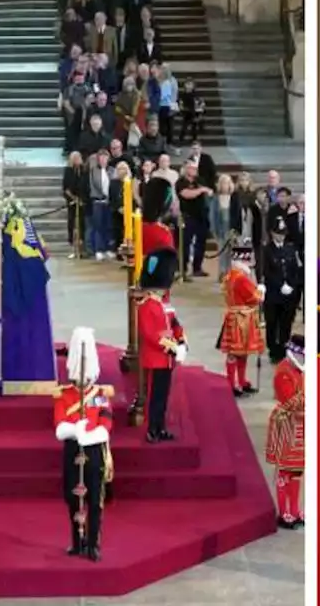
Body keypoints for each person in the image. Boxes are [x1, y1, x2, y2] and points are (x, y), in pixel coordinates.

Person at [53, 327, 114, 561]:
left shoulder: (100, 394)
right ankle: (77, 542)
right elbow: (59, 425)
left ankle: (94, 544)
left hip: (94, 451)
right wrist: (73, 430)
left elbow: (106, 422)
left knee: (95, 500)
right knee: (73, 498)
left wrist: (90, 435)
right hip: (72, 450)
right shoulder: (63, 395)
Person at [137, 178, 184, 444]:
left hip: (148, 292)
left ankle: (157, 423)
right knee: (158, 386)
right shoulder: (162, 232)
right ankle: (154, 425)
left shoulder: (141, 227)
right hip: (157, 296)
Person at [266, 335, 306, 530]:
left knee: (297, 470)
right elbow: (290, 402)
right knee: (285, 470)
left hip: (301, 423)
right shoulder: (284, 372)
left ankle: (295, 509)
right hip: (289, 424)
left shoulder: (298, 369)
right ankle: (284, 512)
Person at [217, 242, 264, 397]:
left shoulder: (230, 276)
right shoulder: (242, 279)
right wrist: (260, 292)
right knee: (239, 353)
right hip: (242, 318)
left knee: (236, 353)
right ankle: (236, 383)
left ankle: (238, 382)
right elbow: (253, 298)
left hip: (232, 315)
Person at [262, 217, 302, 362]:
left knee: (286, 323)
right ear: (272, 233)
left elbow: (296, 269)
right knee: (272, 323)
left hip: (288, 295)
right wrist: (280, 285)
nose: (281, 236)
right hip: (273, 294)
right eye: (279, 233)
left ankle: (284, 348)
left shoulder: (291, 249)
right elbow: (267, 272)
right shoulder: (266, 250)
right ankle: (274, 350)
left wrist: (292, 285)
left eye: (283, 233)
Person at [175, 161, 212, 279]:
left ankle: (197, 268)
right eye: (191, 168)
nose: (193, 170)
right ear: (186, 169)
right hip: (187, 216)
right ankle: (183, 269)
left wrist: (204, 190)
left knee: (201, 243)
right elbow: (186, 194)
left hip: (201, 216)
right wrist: (201, 190)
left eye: (195, 168)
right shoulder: (180, 182)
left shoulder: (200, 180)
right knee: (185, 243)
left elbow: (210, 192)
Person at [63, 151, 90, 258]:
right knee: (72, 224)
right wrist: (73, 198)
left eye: (78, 158)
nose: (77, 160)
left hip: (82, 202)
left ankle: (82, 249)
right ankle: (73, 248)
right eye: (75, 158)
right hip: (72, 201)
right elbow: (66, 187)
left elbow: (86, 185)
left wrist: (83, 199)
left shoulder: (84, 170)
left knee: (82, 225)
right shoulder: (68, 171)